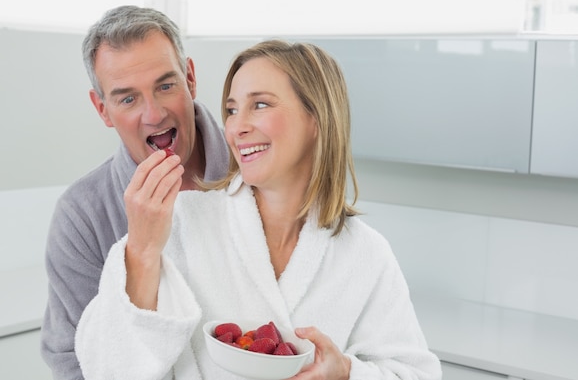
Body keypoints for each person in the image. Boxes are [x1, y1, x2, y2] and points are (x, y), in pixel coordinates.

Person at [74, 39, 442, 379]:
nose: (236, 127)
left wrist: (346, 372)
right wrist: (140, 250)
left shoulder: (364, 253)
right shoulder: (182, 222)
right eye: (232, 110)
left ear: (317, 118)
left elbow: (416, 374)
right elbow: (107, 368)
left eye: (260, 104)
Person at [40, 5, 230, 380]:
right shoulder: (81, 216)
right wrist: (140, 252)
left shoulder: (257, 170)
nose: (154, 114)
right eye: (127, 99)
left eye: (165, 85)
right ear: (103, 110)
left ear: (190, 79)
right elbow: (72, 363)